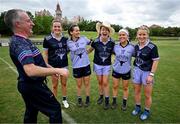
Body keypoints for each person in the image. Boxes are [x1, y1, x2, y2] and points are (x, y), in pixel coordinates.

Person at [4, 9, 69, 123]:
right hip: (32, 85)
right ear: (18, 24)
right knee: (55, 109)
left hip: (28, 85)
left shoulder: (24, 40)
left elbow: (39, 62)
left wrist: (52, 69)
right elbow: (31, 70)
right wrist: (59, 69)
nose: (32, 23)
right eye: (29, 21)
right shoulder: (19, 43)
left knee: (31, 111)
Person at [131, 25, 159, 120]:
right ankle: (138, 107)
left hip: (147, 73)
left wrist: (151, 75)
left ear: (147, 35)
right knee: (137, 91)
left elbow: (155, 61)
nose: (142, 36)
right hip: (137, 71)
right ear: (137, 35)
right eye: (140, 34)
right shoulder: (136, 46)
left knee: (147, 94)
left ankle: (146, 111)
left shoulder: (152, 46)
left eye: (144, 34)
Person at [87, 21, 115, 110]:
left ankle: (107, 100)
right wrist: (80, 52)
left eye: (106, 30)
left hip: (106, 65)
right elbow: (90, 50)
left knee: (105, 82)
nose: (104, 31)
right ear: (100, 31)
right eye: (103, 29)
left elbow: (115, 52)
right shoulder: (95, 41)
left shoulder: (112, 42)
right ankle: (101, 96)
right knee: (100, 82)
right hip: (97, 64)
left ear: (109, 32)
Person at [43, 19, 69, 108]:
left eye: (59, 26)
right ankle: (54, 102)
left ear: (61, 28)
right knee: (54, 85)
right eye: (55, 26)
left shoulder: (65, 39)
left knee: (64, 84)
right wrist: (47, 66)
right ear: (52, 28)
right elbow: (45, 54)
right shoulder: (47, 39)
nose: (57, 28)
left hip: (64, 66)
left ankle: (64, 100)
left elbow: (67, 51)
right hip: (53, 66)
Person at [67, 24, 91, 107]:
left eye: (79, 30)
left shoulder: (84, 38)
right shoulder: (68, 42)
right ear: (71, 32)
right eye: (76, 30)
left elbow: (93, 43)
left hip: (86, 64)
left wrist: (89, 51)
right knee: (79, 84)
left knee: (87, 83)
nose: (78, 32)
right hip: (76, 66)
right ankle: (79, 99)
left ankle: (87, 98)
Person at [111, 29, 134, 110]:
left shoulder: (132, 47)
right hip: (116, 69)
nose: (121, 36)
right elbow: (112, 53)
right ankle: (114, 101)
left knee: (125, 87)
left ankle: (124, 103)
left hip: (126, 70)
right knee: (115, 86)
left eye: (123, 35)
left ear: (127, 36)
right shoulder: (115, 46)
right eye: (120, 35)